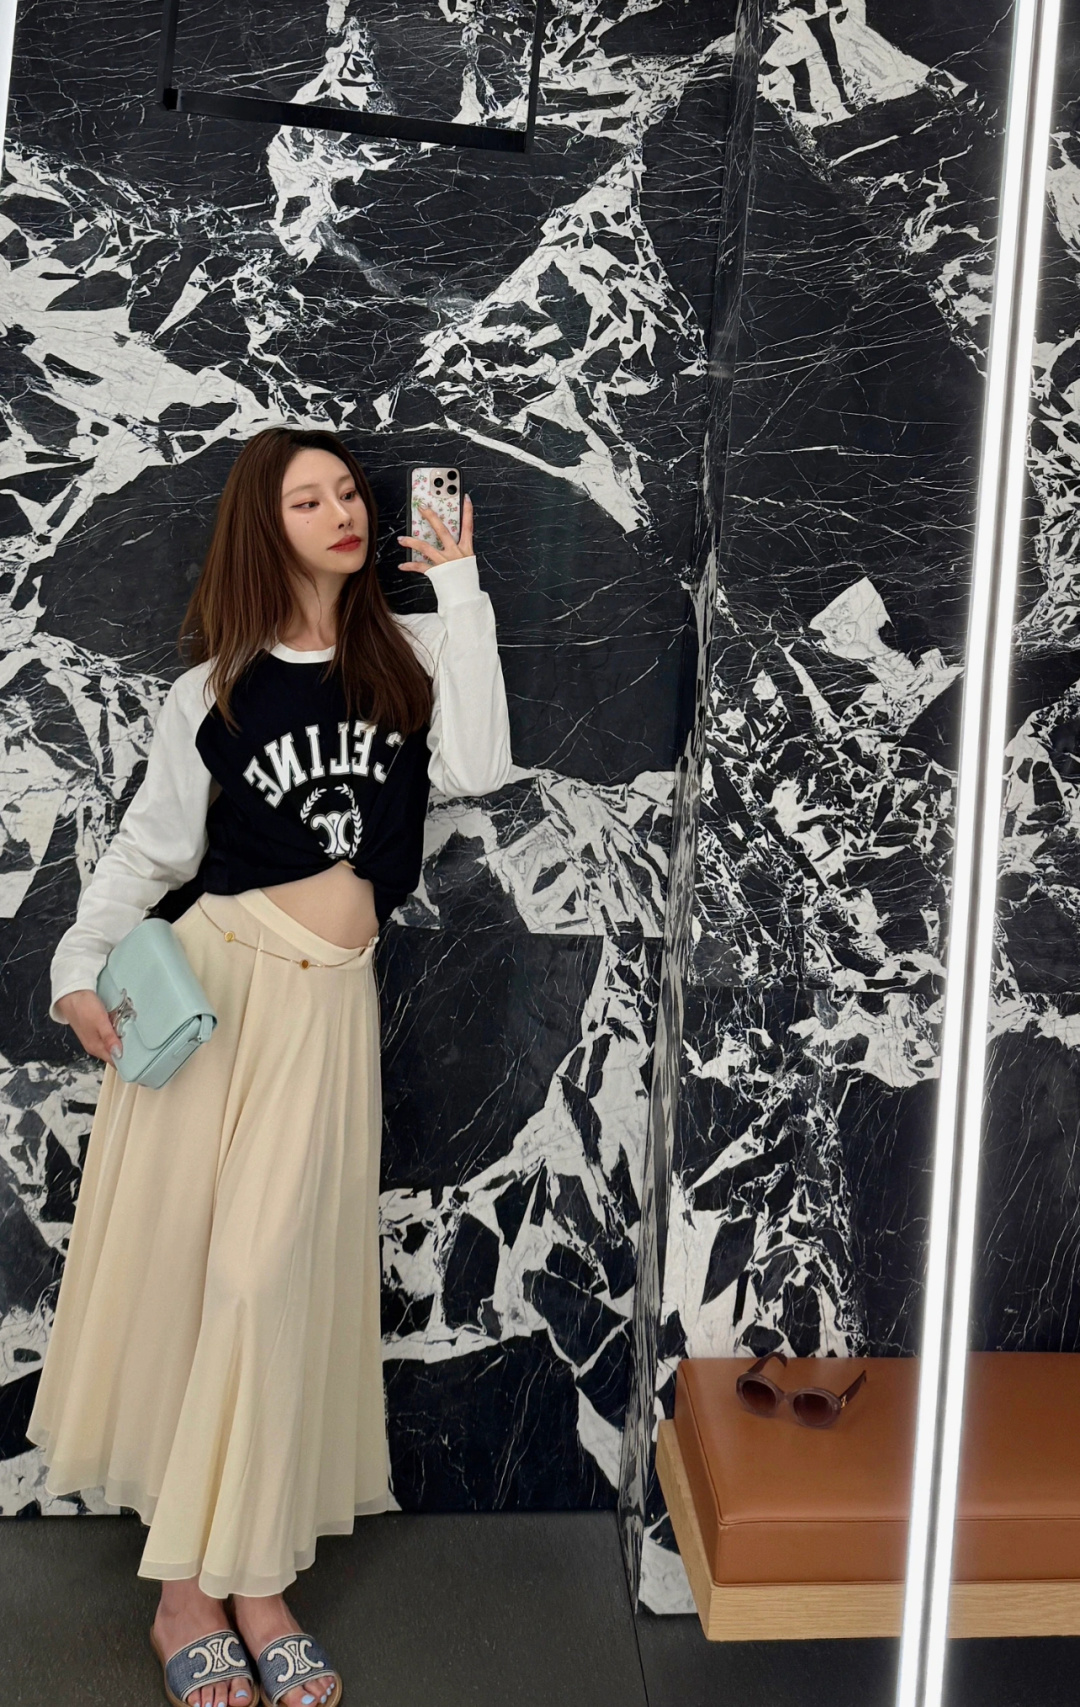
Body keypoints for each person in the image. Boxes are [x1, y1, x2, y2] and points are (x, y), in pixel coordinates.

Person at [27, 427, 512, 1707]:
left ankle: (250, 1582)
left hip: (327, 1012)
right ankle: (191, 1597)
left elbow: (478, 766)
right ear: (265, 524)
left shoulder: (405, 658)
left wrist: (458, 585)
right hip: (223, 988)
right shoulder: (217, 690)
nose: (342, 511)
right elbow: (148, 851)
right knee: (208, 1286)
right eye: (309, 499)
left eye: (348, 491)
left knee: (269, 1284)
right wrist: (76, 967)